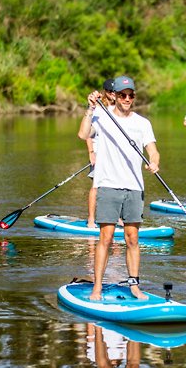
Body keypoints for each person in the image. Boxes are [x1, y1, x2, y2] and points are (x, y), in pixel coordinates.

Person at [77, 75, 160, 301]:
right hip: (108, 186)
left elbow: (152, 149)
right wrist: (90, 108)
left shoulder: (142, 123)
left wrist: (154, 160)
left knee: (132, 238)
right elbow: (83, 134)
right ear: (115, 96)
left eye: (130, 95)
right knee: (106, 238)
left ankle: (134, 286)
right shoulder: (102, 116)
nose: (126, 99)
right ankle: (97, 288)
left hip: (134, 187)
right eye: (122, 95)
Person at [86, 78, 116, 228]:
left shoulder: (120, 109)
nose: (113, 94)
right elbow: (87, 133)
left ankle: (118, 219)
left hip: (113, 154)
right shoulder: (98, 108)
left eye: (115, 92)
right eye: (110, 92)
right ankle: (91, 219)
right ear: (105, 92)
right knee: (96, 187)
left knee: (117, 187)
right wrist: (91, 152)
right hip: (98, 152)